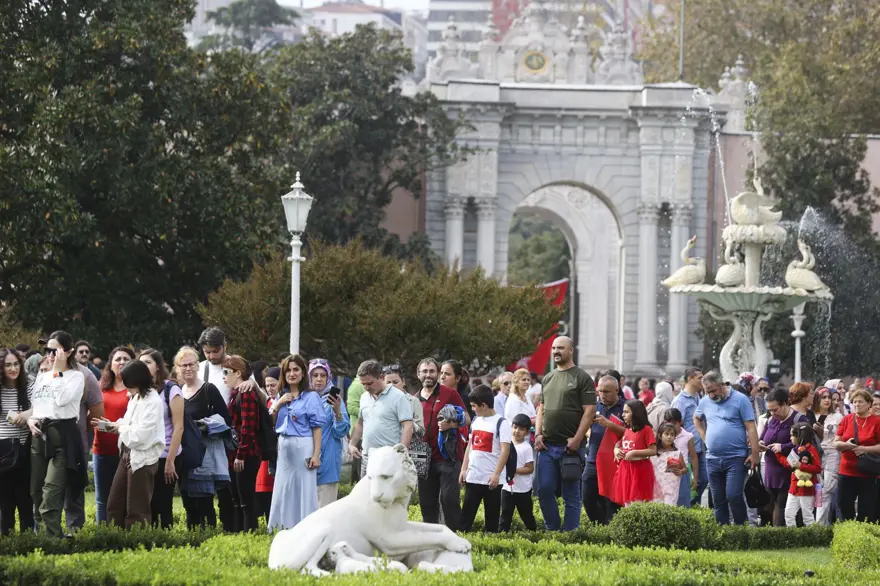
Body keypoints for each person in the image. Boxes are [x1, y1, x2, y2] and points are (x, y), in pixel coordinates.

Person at [27, 331, 87, 538]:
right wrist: (31, 419)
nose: (50, 355)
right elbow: (37, 407)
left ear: (68, 352)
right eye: (48, 350)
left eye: (55, 350)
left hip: (62, 438)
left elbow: (61, 400)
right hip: (39, 437)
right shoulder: (42, 377)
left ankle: (53, 541)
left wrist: (58, 371)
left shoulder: (77, 376)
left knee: (50, 494)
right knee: (35, 491)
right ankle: (41, 539)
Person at [535, 336, 596, 532]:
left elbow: (589, 411)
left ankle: (570, 534)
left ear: (571, 351)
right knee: (543, 490)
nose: (555, 351)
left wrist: (578, 439)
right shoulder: (548, 377)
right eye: (553, 348)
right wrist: (537, 434)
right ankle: (553, 531)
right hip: (546, 446)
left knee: (571, 495)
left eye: (560, 348)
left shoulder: (582, 377)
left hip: (571, 449)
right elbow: (541, 408)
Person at [97, 361, 165, 529]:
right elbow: (128, 424)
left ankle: (136, 546)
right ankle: (115, 542)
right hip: (127, 454)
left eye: (128, 384)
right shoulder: (136, 397)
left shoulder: (153, 402)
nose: (126, 388)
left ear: (137, 381)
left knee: (137, 510)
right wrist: (111, 425)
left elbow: (140, 436)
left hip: (142, 459)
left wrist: (119, 427)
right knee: (114, 505)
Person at [175, 346, 231, 530]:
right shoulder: (178, 392)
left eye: (191, 364)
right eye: (183, 365)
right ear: (178, 368)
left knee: (204, 501)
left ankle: (209, 538)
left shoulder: (209, 389)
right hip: (184, 453)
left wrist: (204, 425)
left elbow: (226, 418)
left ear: (198, 366)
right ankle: (192, 539)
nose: (188, 368)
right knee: (188, 500)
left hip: (205, 454)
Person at [694, 371, 760, 525]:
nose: (711, 395)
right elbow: (697, 419)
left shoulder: (740, 399)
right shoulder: (705, 402)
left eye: (713, 391)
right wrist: (705, 437)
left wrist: (755, 453)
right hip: (712, 458)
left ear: (722, 384)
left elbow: (751, 428)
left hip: (736, 457)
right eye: (707, 392)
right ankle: (723, 532)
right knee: (718, 499)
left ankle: (740, 529)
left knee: (733, 495)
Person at [268, 354, 325, 531]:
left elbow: (317, 428)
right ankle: (281, 527)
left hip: (303, 445)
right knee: (283, 487)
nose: (292, 374)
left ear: (302, 373)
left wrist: (315, 455)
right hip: (284, 446)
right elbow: (270, 422)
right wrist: (278, 405)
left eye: (296, 370)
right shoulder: (281, 396)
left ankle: (305, 528)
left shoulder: (311, 397)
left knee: (304, 488)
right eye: (288, 370)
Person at [415, 358, 467, 531]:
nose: (428, 375)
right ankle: (431, 540)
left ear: (437, 374)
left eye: (432, 371)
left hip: (448, 456)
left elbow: (467, 418)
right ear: (418, 375)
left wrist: (452, 424)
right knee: (427, 503)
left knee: (448, 499)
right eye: (425, 371)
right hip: (423, 458)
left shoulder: (449, 393)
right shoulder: (413, 399)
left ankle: (456, 537)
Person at [138, 349, 183, 530]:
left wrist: (170, 461)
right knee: (147, 504)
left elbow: (179, 427)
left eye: (148, 362)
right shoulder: (141, 391)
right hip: (146, 454)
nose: (144, 366)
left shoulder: (171, 390)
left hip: (166, 454)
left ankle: (166, 543)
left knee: (162, 504)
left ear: (158, 366)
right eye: (141, 363)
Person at [459, 384, 511, 533]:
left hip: (492, 480)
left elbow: (505, 451)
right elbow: (470, 445)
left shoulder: (502, 423)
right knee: (466, 517)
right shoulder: (476, 421)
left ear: (484, 405)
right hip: (473, 476)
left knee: (492, 520)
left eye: (474, 406)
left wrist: (496, 474)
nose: (473, 409)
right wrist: (464, 469)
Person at [93, 346, 134, 524]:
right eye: (118, 359)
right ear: (110, 364)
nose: (122, 362)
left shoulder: (135, 389)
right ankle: (103, 534)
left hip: (126, 452)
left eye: (126, 359)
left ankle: (121, 534)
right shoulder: (100, 387)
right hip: (101, 449)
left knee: (124, 497)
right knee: (102, 498)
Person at [349, 360, 413, 473]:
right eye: (363, 384)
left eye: (369, 383)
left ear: (382, 377)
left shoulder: (399, 397)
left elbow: (408, 427)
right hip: (367, 459)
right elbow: (360, 423)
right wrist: (352, 444)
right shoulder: (364, 397)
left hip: (389, 460)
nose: (366, 387)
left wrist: (401, 455)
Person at [64, 351, 103, 533]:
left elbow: (96, 412)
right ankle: (47, 537)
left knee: (74, 492)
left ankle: (74, 536)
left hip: (75, 444)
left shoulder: (85, 375)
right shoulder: (44, 372)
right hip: (45, 444)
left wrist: (79, 430)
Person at [223, 355, 264, 532]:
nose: (223, 376)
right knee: (238, 500)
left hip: (246, 454)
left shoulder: (245, 393)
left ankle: (250, 535)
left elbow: (249, 427)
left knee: (246, 500)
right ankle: (239, 534)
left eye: (227, 372)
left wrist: (241, 454)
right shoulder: (235, 393)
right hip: (236, 453)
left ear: (238, 373)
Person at [582, 375, 625, 524]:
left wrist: (609, 424)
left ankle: (611, 528)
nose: (602, 395)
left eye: (606, 391)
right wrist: (588, 432)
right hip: (593, 459)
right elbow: (584, 426)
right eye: (600, 391)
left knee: (612, 500)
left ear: (617, 390)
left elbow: (632, 434)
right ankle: (599, 525)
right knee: (587, 497)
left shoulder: (626, 408)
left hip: (615, 462)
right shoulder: (595, 406)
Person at [0, 348, 34, 534]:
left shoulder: (28, 383)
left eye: (16, 364)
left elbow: (41, 406)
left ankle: (27, 540)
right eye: (8, 365)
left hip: (24, 447)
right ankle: (7, 540)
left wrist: (27, 414)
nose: (13, 368)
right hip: (3, 450)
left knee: (25, 500)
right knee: (5, 502)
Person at [309, 359, 351, 508]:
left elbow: (342, 431)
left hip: (328, 463)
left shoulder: (333, 398)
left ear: (328, 377)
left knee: (324, 511)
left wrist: (338, 411)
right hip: (306, 463)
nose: (319, 379)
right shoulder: (303, 398)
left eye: (323, 375)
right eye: (315, 375)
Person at [834, 388, 880, 522]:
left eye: (860, 402)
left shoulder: (876, 421)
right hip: (846, 471)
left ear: (869, 404)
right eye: (854, 402)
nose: (857, 404)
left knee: (866, 510)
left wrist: (865, 449)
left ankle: (863, 537)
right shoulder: (847, 419)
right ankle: (848, 533)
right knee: (843, 504)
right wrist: (846, 445)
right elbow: (836, 443)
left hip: (868, 472)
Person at [759, 388, 797, 526]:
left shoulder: (798, 419)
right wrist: (761, 443)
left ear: (785, 404)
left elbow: (804, 444)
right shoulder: (771, 420)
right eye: (770, 410)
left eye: (775, 409)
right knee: (768, 507)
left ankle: (780, 536)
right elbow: (762, 437)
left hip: (788, 470)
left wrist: (783, 447)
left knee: (782, 506)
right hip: (770, 470)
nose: (772, 413)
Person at [671, 366, 708, 505]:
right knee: (683, 482)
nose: (702, 381)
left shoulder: (699, 397)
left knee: (703, 479)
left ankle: (691, 504)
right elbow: (672, 425)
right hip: (685, 449)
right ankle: (686, 506)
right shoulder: (680, 400)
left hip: (700, 447)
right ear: (690, 379)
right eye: (700, 378)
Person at [610, 400, 657, 506]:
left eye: (626, 412)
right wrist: (616, 450)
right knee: (627, 502)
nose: (623, 415)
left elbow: (653, 450)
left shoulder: (646, 429)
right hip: (626, 470)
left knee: (638, 502)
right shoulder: (628, 430)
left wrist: (635, 453)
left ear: (636, 413)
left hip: (640, 470)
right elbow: (620, 444)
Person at [775, 421, 821, 527]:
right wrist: (777, 454)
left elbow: (818, 468)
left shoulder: (811, 450)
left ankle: (814, 539)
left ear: (800, 436)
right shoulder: (795, 449)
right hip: (794, 488)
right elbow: (790, 464)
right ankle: (794, 537)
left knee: (808, 517)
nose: (790, 438)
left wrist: (801, 466)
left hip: (807, 490)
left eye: (792, 435)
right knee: (788, 514)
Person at [500, 413, 537, 531]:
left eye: (521, 429)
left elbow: (530, 468)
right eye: (515, 427)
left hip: (523, 490)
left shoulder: (526, 448)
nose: (517, 431)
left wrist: (514, 470)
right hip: (507, 488)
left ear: (526, 432)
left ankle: (534, 533)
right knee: (505, 514)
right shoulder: (506, 445)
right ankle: (501, 536)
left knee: (526, 515)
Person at [255, 366, 280, 523]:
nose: (270, 389)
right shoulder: (266, 401)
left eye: (273, 385)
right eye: (267, 385)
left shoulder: (284, 401)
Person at [663, 408, 699, 507]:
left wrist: (695, 478)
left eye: (674, 423)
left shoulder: (687, 436)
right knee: (668, 501)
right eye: (668, 423)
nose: (671, 426)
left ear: (681, 422)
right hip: (667, 471)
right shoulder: (663, 436)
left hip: (683, 470)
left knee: (683, 501)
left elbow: (694, 457)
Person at [384, 364, 425, 437]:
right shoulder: (379, 401)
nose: (391, 386)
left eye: (395, 382)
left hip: (408, 444)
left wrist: (407, 423)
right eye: (388, 383)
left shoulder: (413, 401)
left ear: (403, 382)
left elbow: (421, 431)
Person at [652, 422, 685, 506]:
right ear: (660, 436)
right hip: (656, 488)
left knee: (669, 509)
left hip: (671, 488)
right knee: (656, 510)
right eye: (666, 434)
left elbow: (685, 468)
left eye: (672, 435)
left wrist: (681, 472)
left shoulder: (676, 453)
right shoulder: (653, 453)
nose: (669, 437)